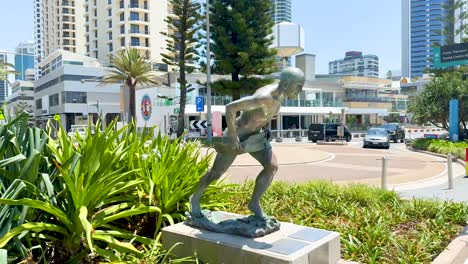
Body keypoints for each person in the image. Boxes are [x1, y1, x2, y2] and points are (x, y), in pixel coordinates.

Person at [190, 68, 305, 219]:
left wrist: (265, 128)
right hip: (236, 137)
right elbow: (230, 108)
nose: (300, 91)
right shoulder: (265, 97)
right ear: (286, 84)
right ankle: (194, 199)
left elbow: (264, 116)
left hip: (256, 137)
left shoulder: (281, 96)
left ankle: (254, 203)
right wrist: (232, 135)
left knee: (272, 166)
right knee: (216, 173)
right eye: (298, 86)